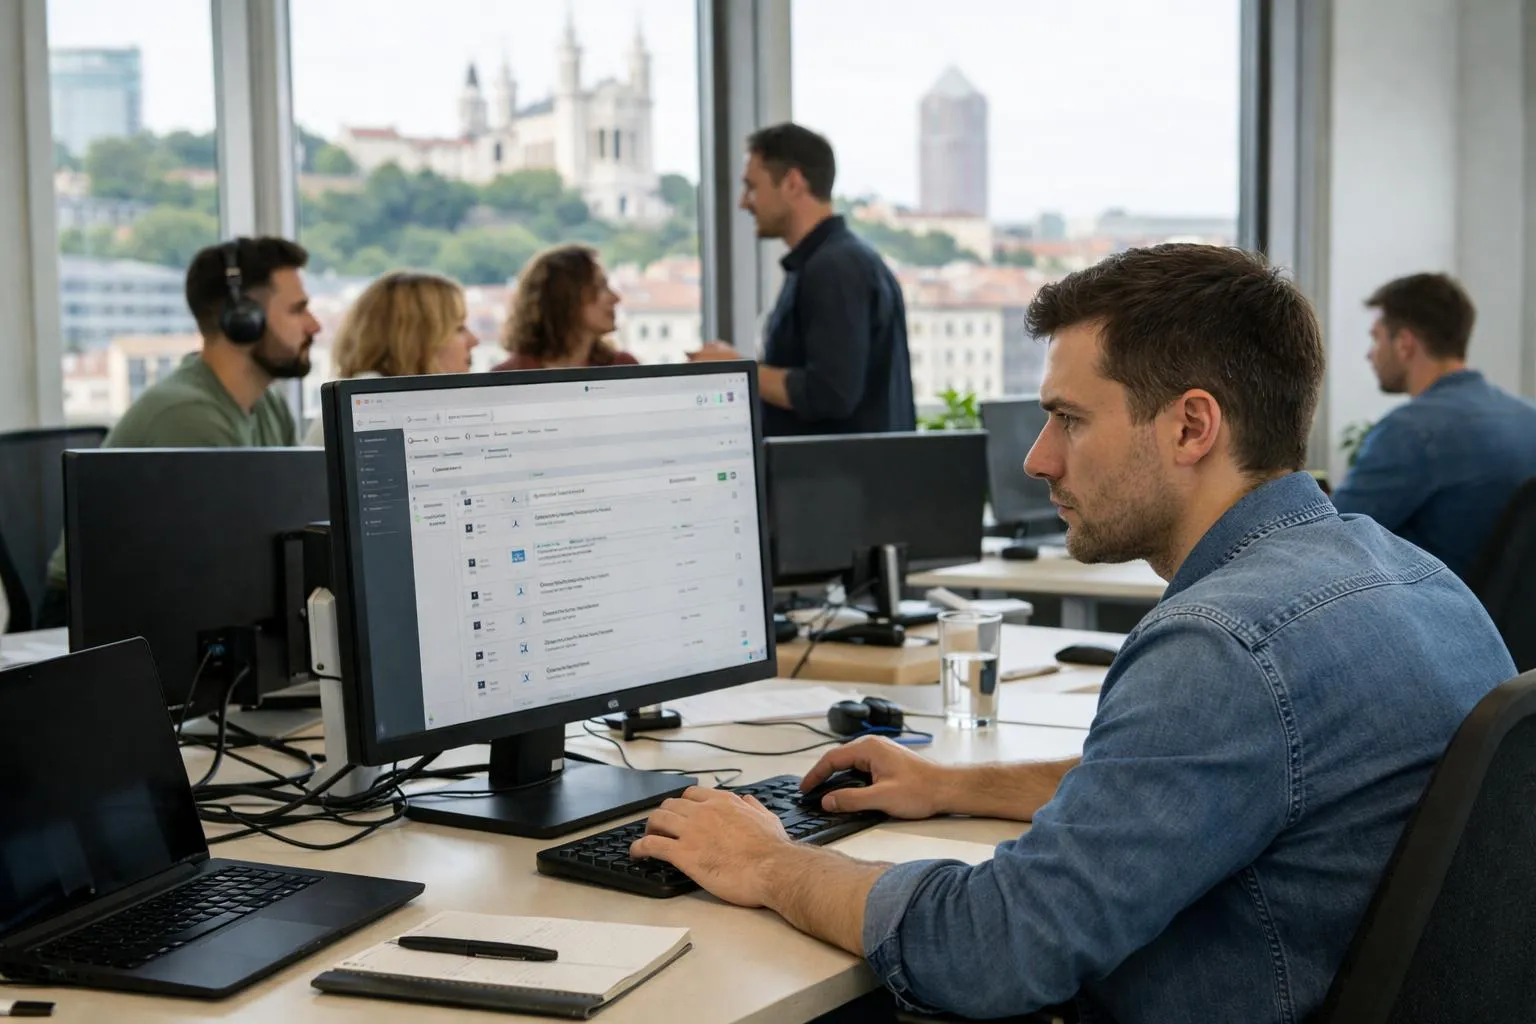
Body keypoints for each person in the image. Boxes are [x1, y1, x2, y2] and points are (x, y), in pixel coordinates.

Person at [626, 245, 1514, 1022]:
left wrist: (770, 864)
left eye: (1070, 419)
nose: (1037, 458)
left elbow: (994, 949)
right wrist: (952, 786)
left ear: (1191, 426)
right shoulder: (1419, 578)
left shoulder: (1221, 647)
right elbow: (1190, 784)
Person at [36, 236, 319, 628]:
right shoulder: (190, 416)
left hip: (176, 604)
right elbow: (227, 568)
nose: (314, 324)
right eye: (298, 309)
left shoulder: (269, 406)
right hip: (94, 618)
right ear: (243, 319)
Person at [687, 122, 915, 437]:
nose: (744, 202)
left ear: (793, 183)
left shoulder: (833, 268)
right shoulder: (841, 260)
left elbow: (831, 393)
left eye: (752, 187)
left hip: (840, 469)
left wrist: (736, 369)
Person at [1331, 273, 1536, 579]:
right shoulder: (1528, 417)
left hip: (1436, 604)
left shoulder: (1409, 431)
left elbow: (1332, 539)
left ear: (1405, 344)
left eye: (1376, 338)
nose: (1369, 353)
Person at [302, 270, 479, 444]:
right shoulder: (368, 404)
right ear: (416, 340)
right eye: (459, 329)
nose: (474, 341)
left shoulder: (404, 403)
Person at [492, 245, 638, 371]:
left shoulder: (623, 367)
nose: (616, 298)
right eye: (600, 287)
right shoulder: (508, 379)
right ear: (565, 296)